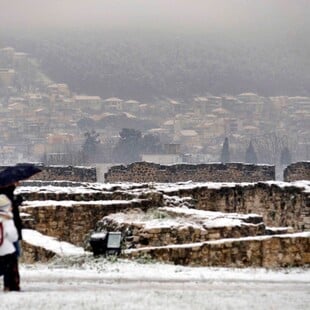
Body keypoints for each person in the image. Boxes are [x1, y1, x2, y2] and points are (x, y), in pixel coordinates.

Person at [0, 194, 20, 292]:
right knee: (8, 266)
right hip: (6, 248)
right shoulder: (7, 220)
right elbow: (13, 236)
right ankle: (7, 286)